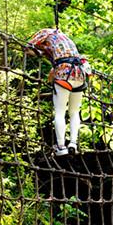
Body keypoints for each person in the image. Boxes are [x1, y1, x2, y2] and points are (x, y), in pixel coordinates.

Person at [27, 28, 91, 156]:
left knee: (60, 111)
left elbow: (29, 47)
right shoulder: (65, 39)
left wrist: (34, 52)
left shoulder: (45, 33)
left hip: (64, 72)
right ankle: (73, 143)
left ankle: (61, 147)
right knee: (74, 112)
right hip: (79, 73)